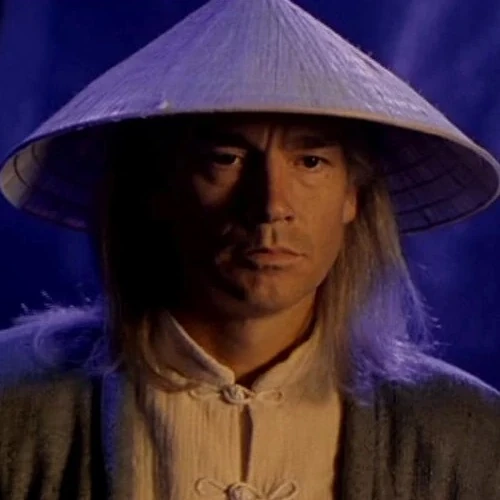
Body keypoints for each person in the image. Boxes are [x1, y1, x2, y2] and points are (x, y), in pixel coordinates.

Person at [1, 0, 500, 498]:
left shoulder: (465, 434)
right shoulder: (17, 405)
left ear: (352, 194)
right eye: (226, 158)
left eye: (310, 161)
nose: (270, 205)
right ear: (157, 188)